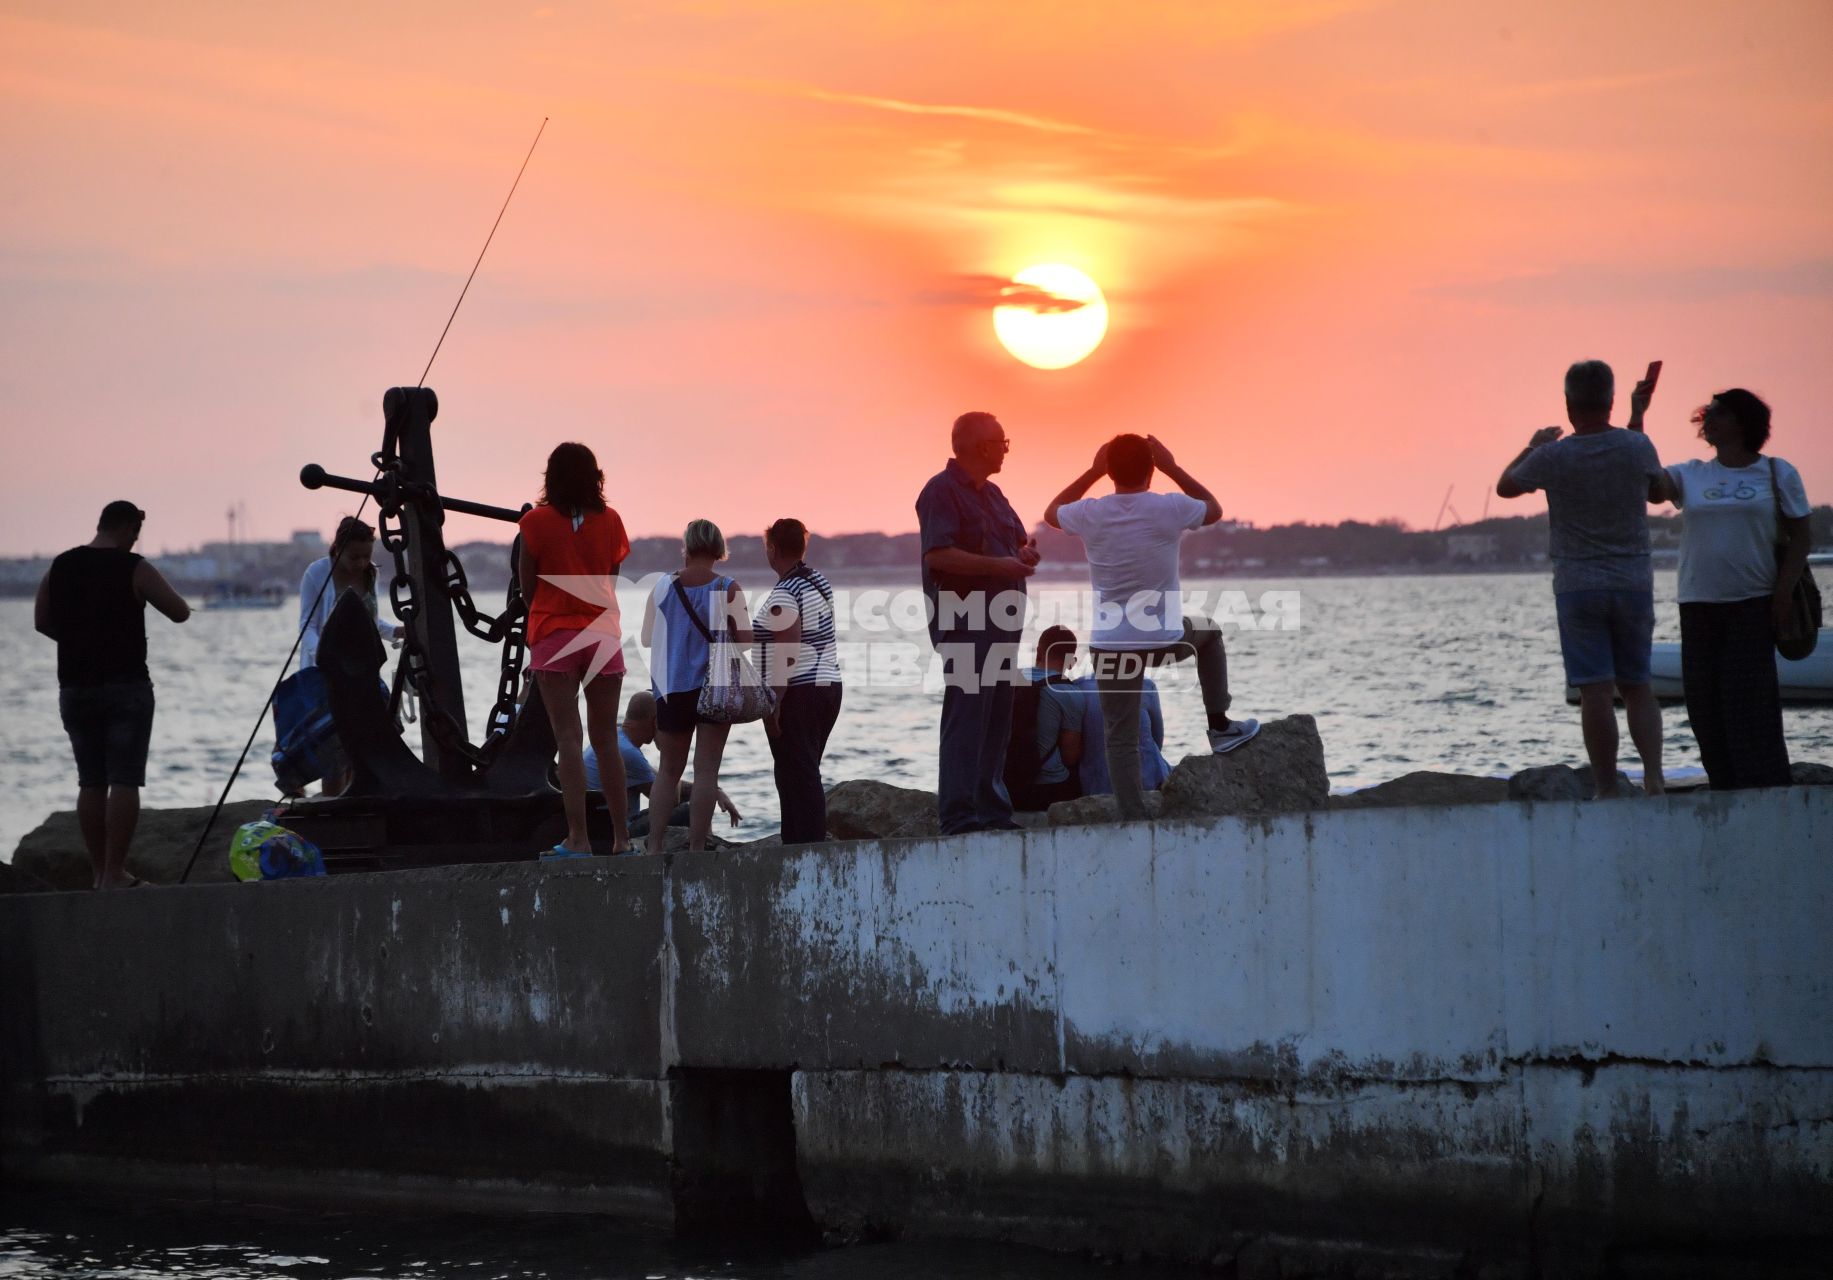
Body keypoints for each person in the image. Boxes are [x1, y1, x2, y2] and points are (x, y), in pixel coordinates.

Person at [1045, 433, 1258, 821]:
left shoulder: (1091, 513)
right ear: (1151, 469)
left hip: (1110, 646)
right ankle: (1219, 725)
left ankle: (1133, 818)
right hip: (1164, 640)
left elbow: (1052, 511)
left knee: (1120, 738)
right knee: (1208, 633)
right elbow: (1213, 509)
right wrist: (1173, 468)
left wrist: (1092, 472)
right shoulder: (1169, 507)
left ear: (1110, 470)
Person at [1496, 359, 1667, 798]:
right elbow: (1656, 490)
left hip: (1578, 586)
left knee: (1595, 693)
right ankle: (1654, 778)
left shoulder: (1554, 455)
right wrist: (1638, 417)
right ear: (1611, 402)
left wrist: (1531, 446)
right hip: (1631, 582)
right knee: (1638, 687)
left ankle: (1607, 787)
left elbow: (1505, 487)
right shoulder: (1636, 446)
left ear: (1568, 404)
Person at [1649, 387, 1811, 789]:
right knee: (1704, 703)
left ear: (1742, 421)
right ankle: (1723, 787)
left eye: (1717, 412)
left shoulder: (1777, 472)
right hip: (1698, 603)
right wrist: (1637, 420)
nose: (1708, 417)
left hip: (1753, 603)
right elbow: (1652, 489)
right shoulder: (1691, 473)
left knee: (1749, 703)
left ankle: (1767, 787)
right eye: (1707, 411)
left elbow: (1802, 536)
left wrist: (1783, 590)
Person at [34, 501, 190, 889]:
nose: (135, 541)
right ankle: (115, 873)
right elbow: (179, 611)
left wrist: (77, 639)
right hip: (126, 687)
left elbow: (41, 621)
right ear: (127, 527)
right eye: (135, 533)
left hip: (75, 687)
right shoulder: (132, 566)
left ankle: (97, 872)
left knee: (90, 781)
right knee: (123, 779)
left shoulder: (60, 566)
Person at [916, 411, 1039, 834]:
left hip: (1003, 623)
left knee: (996, 718)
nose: (1006, 450)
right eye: (1002, 442)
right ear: (981, 446)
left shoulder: (995, 495)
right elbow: (938, 555)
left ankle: (992, 811)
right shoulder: (940, 492)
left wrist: (1023, 556)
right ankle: (959, 817)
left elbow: (1019, 543)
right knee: (967, 716)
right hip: (965, 622)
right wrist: (1000, 567)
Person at [518, 442, 632, 857]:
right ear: (594, 476)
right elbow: (611, 576)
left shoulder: (534, 523)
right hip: (603, 636)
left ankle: (578, 839)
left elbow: (527, 585)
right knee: (606, 739)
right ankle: (622, 840)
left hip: (554, 633)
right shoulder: (612, 520)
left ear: (551, 477)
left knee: (568, 738)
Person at [641, 519, 752, 853]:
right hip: (714, 687)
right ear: (719, 548)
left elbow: (647, 638)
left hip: (671, 687)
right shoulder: (728, 587)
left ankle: (655, 845)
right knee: (706, 772)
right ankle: (696, 849)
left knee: (668, 771)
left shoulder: (661, 587)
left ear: (687, 546)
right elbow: (745, 641)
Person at [296, 515, 403, 796]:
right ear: (338, 549)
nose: (360, 563)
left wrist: (396, 632)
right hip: (326, 674)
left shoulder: (371, 573)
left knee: (369, 743)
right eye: (354, 556)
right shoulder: (317, 574)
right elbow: (307, 625)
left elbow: (371, 621)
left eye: (366, 556)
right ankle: (333, 804)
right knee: (334, 753)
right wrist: (322, 656)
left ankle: (361, 800)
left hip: (361, 673)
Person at [754, 518, 843, 845]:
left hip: (799, 693)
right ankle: (796, 844)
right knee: (797, 771)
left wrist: (775, 701)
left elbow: (788, 650)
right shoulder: (817, 580)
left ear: (773, 549)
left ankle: (806, 851)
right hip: (828, 685)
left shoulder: (785, 593)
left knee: (799, 775)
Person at [584, 690, 742, 839]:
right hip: (613, 832)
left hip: (599, 826)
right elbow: (670, 800)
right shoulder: (628, 753)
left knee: (697, 800)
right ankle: (705, 849)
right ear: (656, 721)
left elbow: (659, 781)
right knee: (691, 810)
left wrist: (714, 791)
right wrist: (667, 750)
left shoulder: (620, 741)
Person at [1007, 625, 1085, 812]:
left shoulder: (1009, 679)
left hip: (1003, 784)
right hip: (1046, 790)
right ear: (1071, 662)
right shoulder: (1069, 692)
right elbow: (1070, 756)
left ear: (1038, 652)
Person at [1075, 674, 1173, 797]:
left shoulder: (1078, 688)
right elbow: (1158, 739)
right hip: (1148, 781)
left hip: (1096, 785)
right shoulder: (1145, 685)